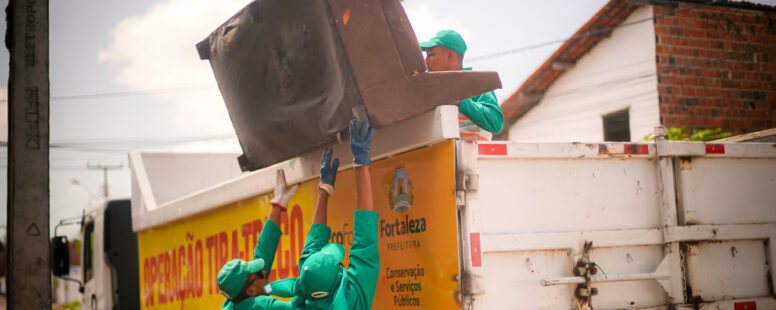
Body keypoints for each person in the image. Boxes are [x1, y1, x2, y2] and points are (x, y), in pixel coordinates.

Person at [229, 118, 380, 310]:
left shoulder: (306, 292)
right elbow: (364, 233)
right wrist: (360, 161)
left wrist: (325, 188)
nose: (261, 271)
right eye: (257, 274)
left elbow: (314, 246)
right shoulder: (351, 298)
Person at [218, 169, 300, 309]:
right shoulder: (262, 306)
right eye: (260, 275)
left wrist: (277, 205)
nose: (264, 272)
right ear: (250, 291)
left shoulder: (234, 299)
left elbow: (263, 252)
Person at [419, 29, 504, 141]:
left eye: (431, 55)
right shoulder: (433, 91)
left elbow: (496, 123)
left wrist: (461, 101)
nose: (426, 61)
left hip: (470, 156)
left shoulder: (475, 84)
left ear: (450, 55)